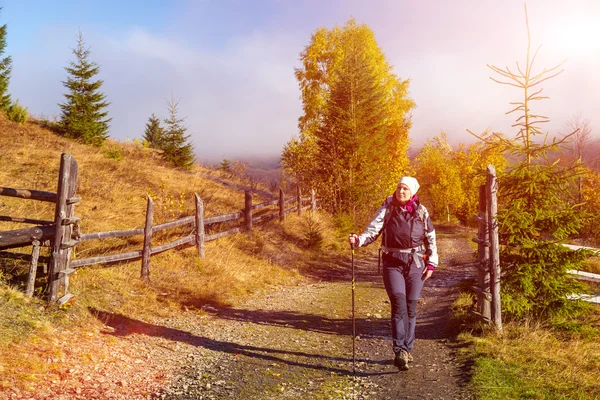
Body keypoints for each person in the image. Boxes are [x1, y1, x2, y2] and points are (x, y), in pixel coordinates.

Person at [348, 176, 438, 371]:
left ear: (413, 191)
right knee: (398, 303)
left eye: (405, 188)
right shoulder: (388, 207)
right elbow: (373, 230)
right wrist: (359, 240)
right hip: (392, 263)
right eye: (399, 187)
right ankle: (400, 351)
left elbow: (430, 237)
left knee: (411, 305)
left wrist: (431, 263)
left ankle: (407, 348)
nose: (401, 191)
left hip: (414, 263)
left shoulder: (421, 212)